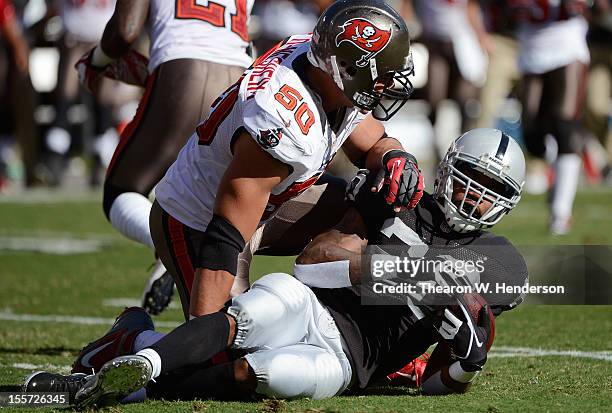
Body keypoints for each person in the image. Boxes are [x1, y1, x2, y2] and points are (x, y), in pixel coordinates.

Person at [24, 128, 529, 405]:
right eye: (468, 180)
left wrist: (467, 362)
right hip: (313, 305)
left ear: (509, 205)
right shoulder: (401, 199)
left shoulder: (502, 261)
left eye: (493, 193)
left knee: (254, 373)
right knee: (240, 323)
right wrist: (406, 279)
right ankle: (138, 368)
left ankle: (134, 349)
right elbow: (313, 261)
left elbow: (438, 385)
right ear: (447, 170)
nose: (475, 198)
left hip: (351, 364)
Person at [75, 0, 255, 315]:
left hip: (183, 73)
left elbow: (124, 32)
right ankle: (234, 335)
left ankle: (162, 248)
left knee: (122, 190)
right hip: (240, 79)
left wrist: (96, 60)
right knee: (224, 216)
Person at [511, 0, 590, 234]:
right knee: (532, 135)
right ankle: (558, 167)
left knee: (565, 126)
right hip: (531, 52)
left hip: (566, 47)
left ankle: (560, 212)